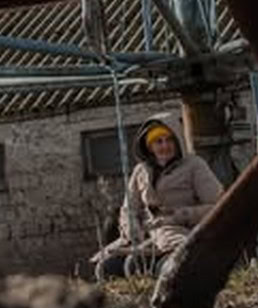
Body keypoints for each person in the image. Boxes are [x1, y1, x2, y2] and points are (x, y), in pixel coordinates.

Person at [91, 115, 224, 280]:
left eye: (169, 140)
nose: (164, 146)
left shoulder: (194, 165)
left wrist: (180, 215)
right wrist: (132, 228)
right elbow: (129, 208)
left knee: (163, 268)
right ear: (149, 146)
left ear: (178, 141)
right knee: (106, 267)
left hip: (181, 234)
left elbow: (219, 206)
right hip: (146, 238)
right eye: (158, 141)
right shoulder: (141, 171)